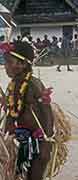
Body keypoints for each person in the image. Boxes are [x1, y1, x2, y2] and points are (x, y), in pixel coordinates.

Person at [3, 41, 54, 180]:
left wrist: (46, 143)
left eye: (9, 62)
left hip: (37, 141)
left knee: (34, 176)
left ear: (23, 64)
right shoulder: (13, 85)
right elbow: (13, 110)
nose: (5, 67)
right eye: (5, 62)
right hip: (21, 139)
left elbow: (47, 113)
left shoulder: (33, 84)